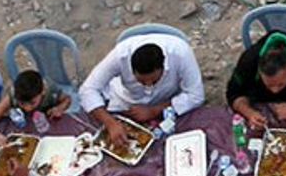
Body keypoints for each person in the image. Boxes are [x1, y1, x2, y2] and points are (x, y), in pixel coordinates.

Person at [76, 31, 206, 151]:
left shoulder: (181, 54)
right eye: (142, 82)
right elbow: (88, 89)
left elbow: (196, 95)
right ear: (131, 69)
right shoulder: (120, 55)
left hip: (167, 101)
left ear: (163, 67)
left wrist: (154, 110)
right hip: (126, 103)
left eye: (154, 81)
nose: (148, 86)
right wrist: (110, 123)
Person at [0, 70, 72, 143]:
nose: (28, 108)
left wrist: (60, 108)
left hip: (49, 127)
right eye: (22, 104)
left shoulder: (50, 91)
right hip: (26, 129)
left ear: (43, 91)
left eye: (32, 103)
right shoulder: (12, 95)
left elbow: (67, 99)